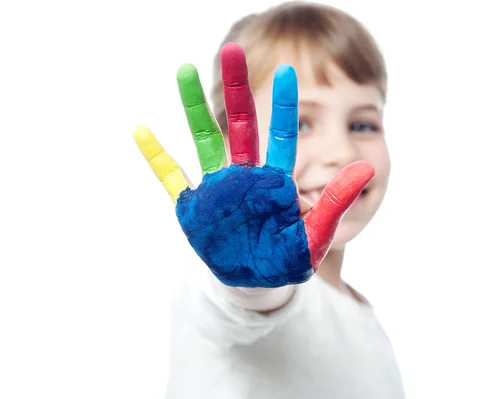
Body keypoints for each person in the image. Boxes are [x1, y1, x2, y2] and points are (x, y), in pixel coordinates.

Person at [133, 2, 405, 398]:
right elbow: (244, 307)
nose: (342, 150)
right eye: (300, 124)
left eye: (362, 124)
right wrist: (251, 283)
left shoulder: (360, 311)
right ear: (230, 141)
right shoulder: (228, 289)